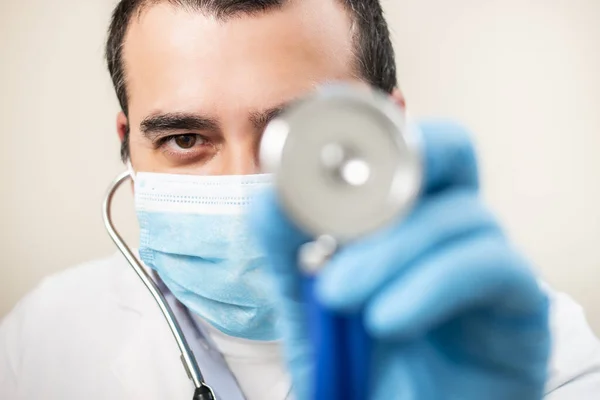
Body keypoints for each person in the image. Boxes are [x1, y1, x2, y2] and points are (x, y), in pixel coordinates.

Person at [1, 0, 599, 399]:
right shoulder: (41, 342)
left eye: (295, 134)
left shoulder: (528, 350)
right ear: (129, 147)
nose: (245, 187)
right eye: (185, 139)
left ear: (386, 128)